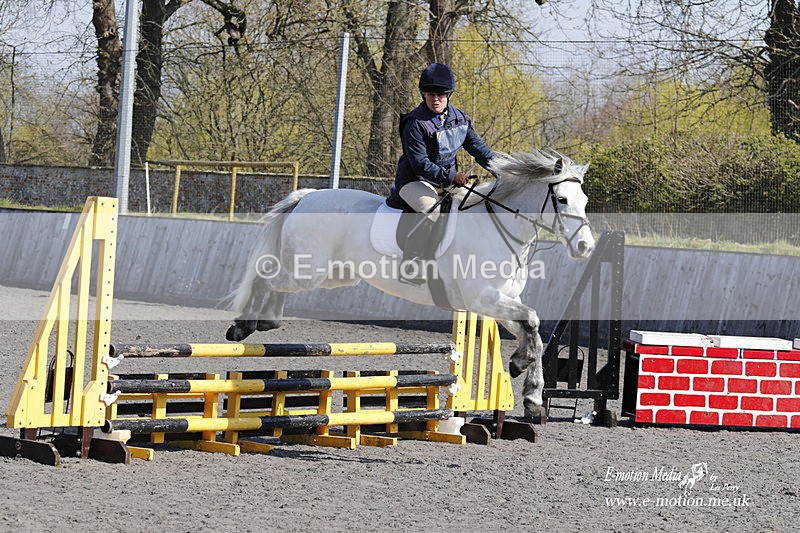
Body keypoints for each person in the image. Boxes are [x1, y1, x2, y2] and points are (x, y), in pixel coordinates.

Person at [389, 62, 495, 285]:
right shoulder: (415, 123)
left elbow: (479, 149)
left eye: (440, 94)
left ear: (449, 95)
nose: (435, 99)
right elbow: (420, 163)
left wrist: (501, 168)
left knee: (476, 203)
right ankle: (412, 265)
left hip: (445, 181)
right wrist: (450, 177)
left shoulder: (460, 119)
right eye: (430, 94)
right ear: (423, 94)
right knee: (430, 210)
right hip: (414, 181)